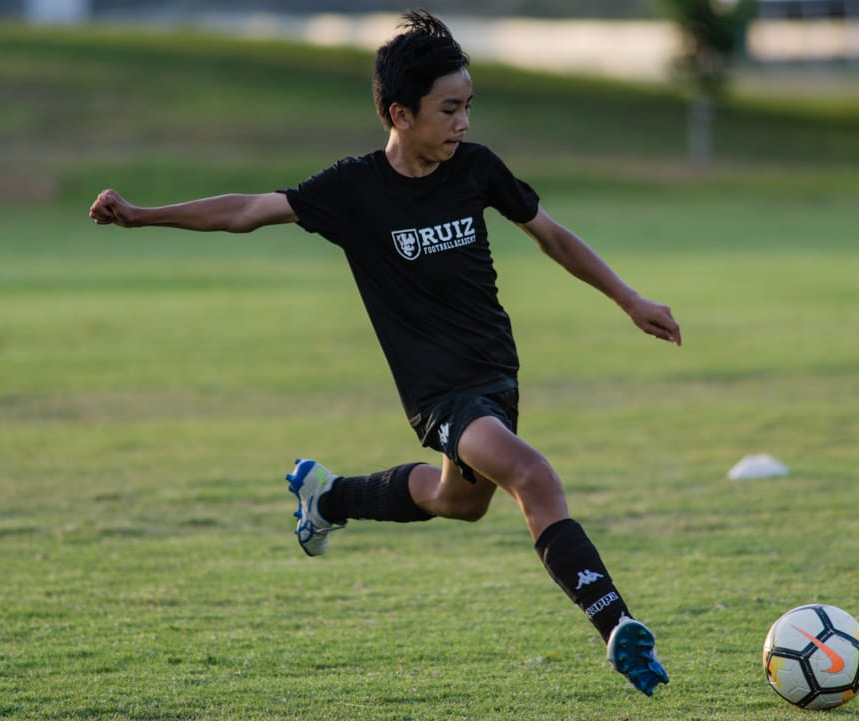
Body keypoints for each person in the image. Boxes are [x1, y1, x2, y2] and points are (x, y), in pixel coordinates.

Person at [89, 9, 679, 696]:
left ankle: (329, 495)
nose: (463, 122)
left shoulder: (476, 168)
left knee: (458, 500)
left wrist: (628, 298)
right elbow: (247, 210)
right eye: (449, 109)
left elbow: (550, 234)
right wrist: (141, 214)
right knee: (532, 476)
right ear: (400, 113)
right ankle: (618, 624)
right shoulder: (354, 190)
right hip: (440, 393)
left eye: (468, 107)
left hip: (496, 376)